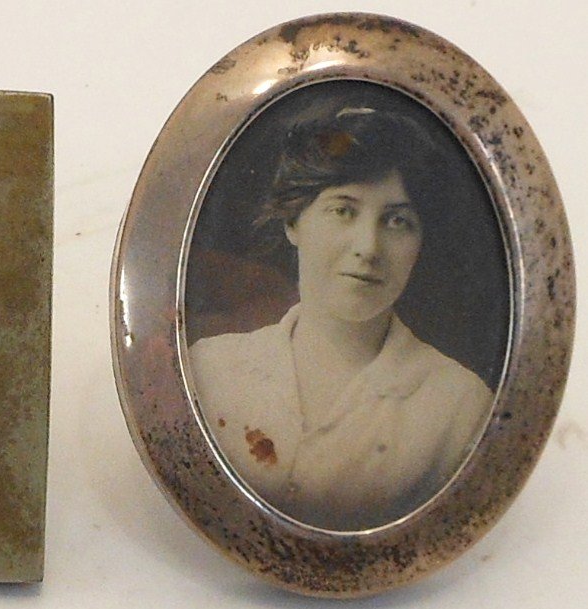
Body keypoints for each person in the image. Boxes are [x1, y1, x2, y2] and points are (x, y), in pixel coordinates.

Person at [189, 103, 493, 530]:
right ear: (293, 222)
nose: (368, 246)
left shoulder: (460, 407)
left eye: (397, 221)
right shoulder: (209, 369)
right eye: (344, 210)